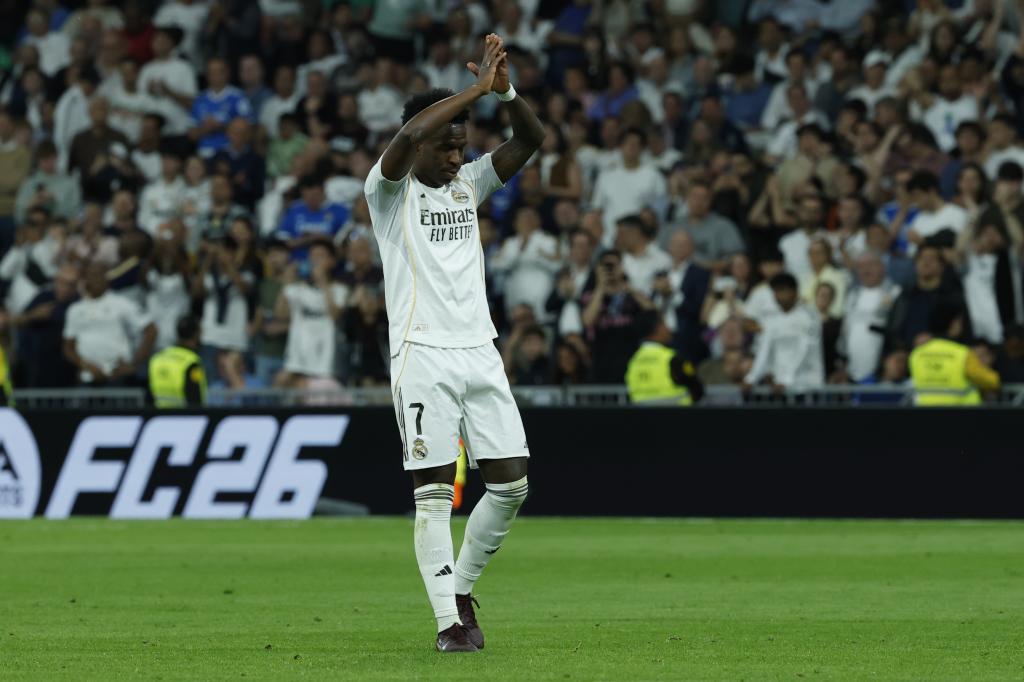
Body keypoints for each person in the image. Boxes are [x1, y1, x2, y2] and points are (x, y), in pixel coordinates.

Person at [363, 35, 544, 653]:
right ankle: (449, 623)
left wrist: (506, 93)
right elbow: (412, 133)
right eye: (446, 146)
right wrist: (473, 91)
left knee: (512, 485)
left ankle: (462, 588)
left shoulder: (469, 183)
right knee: (435, 495)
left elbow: (531, 139)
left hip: (479, 351)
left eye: (461, 146)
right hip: (421, 353)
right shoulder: (388, 193)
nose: (454, 157)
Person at [63, 262, 157, 386]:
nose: (95, 279)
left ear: (106, 278)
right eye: (90, 276)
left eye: (98, 275)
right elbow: (68, 348)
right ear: (84, 280)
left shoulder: (122, 303)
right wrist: (86, 366)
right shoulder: (75, 309)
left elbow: (151, 330)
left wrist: (134, 364)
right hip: (88, 376)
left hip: (118, 374)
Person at [743, 273, 824, 392]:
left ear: (794, 292)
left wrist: (786, 380)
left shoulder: (810, 317)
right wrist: (751, 379)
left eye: (781, 290)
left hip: (807, 386)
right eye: (775, 292)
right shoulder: (771, 319)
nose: (777, 296)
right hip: (780, 388)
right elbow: (764, 350)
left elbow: (804, 350)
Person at [910, 303, 1000, 406]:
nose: (960, 326)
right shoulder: (962, 353)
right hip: (959, 411)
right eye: (959, 321)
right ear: (952, 323)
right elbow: (990, 381)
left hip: (925, 411)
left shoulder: (917, 353)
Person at [625, 316, 704, 405]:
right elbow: (697, 388)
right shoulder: (672, 358)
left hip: (641, 413)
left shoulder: (634, 361)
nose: (669, 329)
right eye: (665, 324)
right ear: (658, 328)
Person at [148, 315, 206, 407]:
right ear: (196, 334)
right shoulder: (192, 362)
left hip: (159, 414)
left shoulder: (157, 358)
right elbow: (195, 397)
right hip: (184, 415)